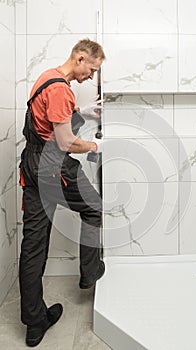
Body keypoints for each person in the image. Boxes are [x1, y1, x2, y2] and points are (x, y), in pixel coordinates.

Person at [19, 38, 106, 347]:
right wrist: (95, 145)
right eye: (92, 70)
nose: (91, 77)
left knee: (33, 244)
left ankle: (34, 323)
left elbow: (49, 126)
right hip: (52, 168)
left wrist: (84, 113)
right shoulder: (60, 89)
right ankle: (90, 273)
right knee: (94, 209)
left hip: (31, 166)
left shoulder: (46, 78)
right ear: (80, 58)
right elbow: (65, 142)